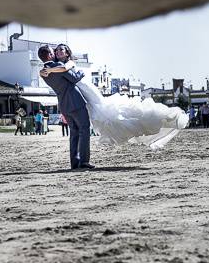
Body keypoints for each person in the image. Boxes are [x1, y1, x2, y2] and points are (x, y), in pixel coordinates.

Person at [41, 43, 188, 151]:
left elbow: (65, 70)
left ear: (67, 53)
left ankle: (162, 118)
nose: (58, 51)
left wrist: (49, 69)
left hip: (87, 90)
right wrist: (47, 70)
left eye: (62, 49)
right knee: (105, 116)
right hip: (82, 94)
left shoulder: (69, 63)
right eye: (57, 50)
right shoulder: (57, 64)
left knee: (108, 111)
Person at [37, 44, 93, 169]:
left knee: (74, 133)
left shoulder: (43, 72)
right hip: (75, 101)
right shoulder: (57, 66)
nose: (56, 53)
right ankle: (84, 161)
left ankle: (75, 162)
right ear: (50, 55)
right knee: (84, 129)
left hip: (63, 104)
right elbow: (74, 78)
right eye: (54, 52)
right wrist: (81, 72)